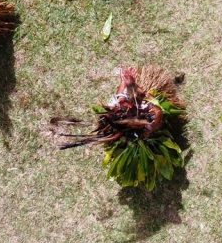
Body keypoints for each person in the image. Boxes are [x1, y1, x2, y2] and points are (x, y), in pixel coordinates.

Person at [59, 66, 187, 191]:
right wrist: (131, 86)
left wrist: (128, 84)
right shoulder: (141, 120)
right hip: (136, 137)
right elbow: (143, 100)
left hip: (142, 129)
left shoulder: (144, 114)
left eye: (124, 101)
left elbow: (132, 96)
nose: (122, 101)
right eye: (123, 102)